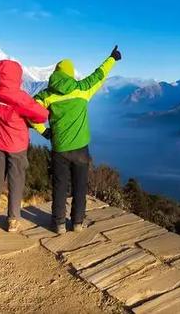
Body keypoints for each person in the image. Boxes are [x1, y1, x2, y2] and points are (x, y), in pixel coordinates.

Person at [31, 46, 122, 234]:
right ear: (71, 74)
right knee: (80, 187)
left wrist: (44, 132)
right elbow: (99, 75)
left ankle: (58, 224)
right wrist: (112, 58)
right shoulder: (83, 89)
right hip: (80, 148)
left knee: (60, 186)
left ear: (55, 73)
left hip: (60, 149)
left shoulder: (46, 95)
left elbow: (30, 113)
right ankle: (78, 223)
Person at [0, 47, 49, 233]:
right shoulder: (20, 99)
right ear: (18, 77)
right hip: (17, 147)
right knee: (16, 181)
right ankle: (12, 220)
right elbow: (41, 115)